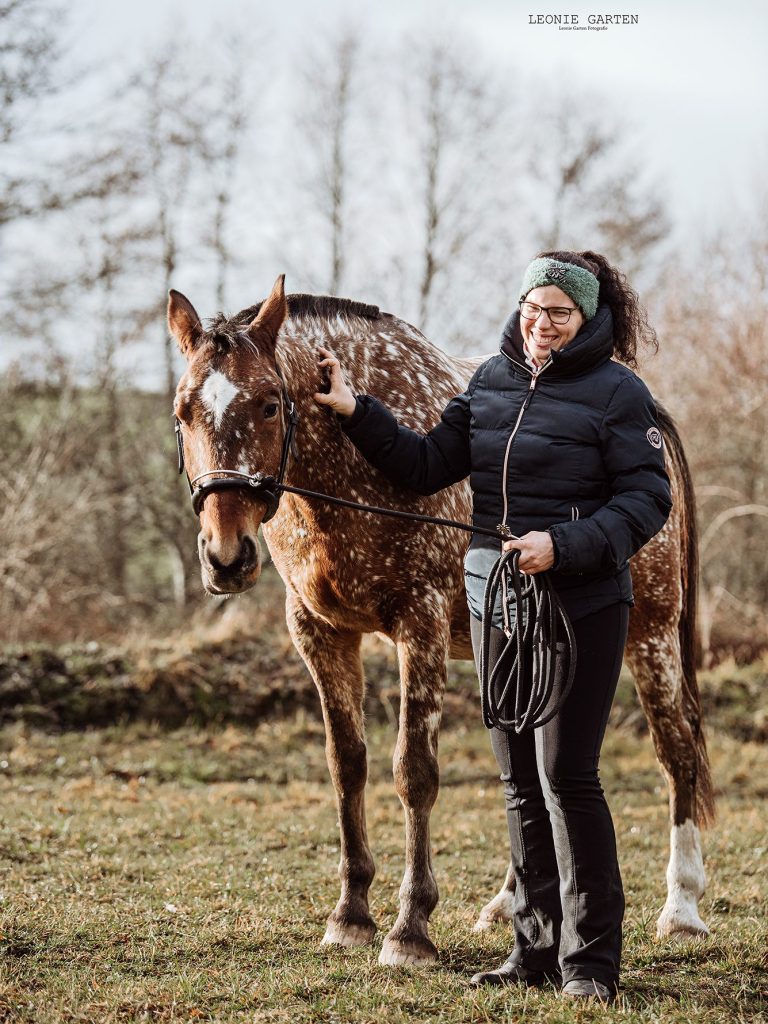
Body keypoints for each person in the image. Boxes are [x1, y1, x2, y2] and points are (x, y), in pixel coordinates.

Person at [312, 250, 671, 1004]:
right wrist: (356, 411)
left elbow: (647, 502)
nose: (541, 326)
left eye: (559, 315)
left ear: (587, 320)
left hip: (582, 603)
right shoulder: (489, 382)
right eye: (532, 309)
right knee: (516, 784)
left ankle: (591, 964)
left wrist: (561, 546)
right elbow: (423, 464)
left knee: (567, 776)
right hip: (499, 604)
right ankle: (533, 951)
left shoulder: (617, 393)